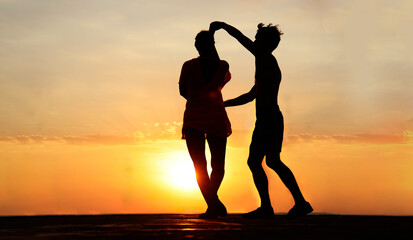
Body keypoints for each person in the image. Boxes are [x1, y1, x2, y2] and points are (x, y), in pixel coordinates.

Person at [210, 21, 312, 218]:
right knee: (271, 161)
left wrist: (223, 26)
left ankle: (269, 207)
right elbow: (251, 95)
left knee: (256, 161)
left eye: (258, 38)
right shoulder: (266, 64)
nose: (255, 40)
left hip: (268, 119)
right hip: (272, 118)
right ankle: (298, 203)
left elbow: (242, 40)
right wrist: (224, 104)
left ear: (266, 42)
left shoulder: (265, 58)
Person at [179, 30, 232, 218]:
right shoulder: (222, 65)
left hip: (194, 116)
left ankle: (213, 204)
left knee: (199, 165)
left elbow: (182, 91)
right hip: (216, 116)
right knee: (218, 164)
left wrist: (197, 97)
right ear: (213, 44)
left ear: (196, 45)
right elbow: (220, 85)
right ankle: (213, 203)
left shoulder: (188, 65)